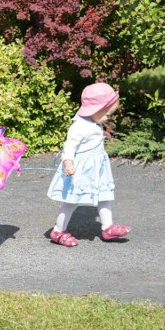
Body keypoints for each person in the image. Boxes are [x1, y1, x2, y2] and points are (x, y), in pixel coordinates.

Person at [46, 82, 131, 247]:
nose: (108, 117)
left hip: (97, 170)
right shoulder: (79, 126)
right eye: (107, 114)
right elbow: (69, 146)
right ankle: (58, 230)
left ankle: (107, 227)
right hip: (80, 171)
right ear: (94, 110)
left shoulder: (93, 122)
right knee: (71, 201)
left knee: (104, 195)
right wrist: (69, 163)